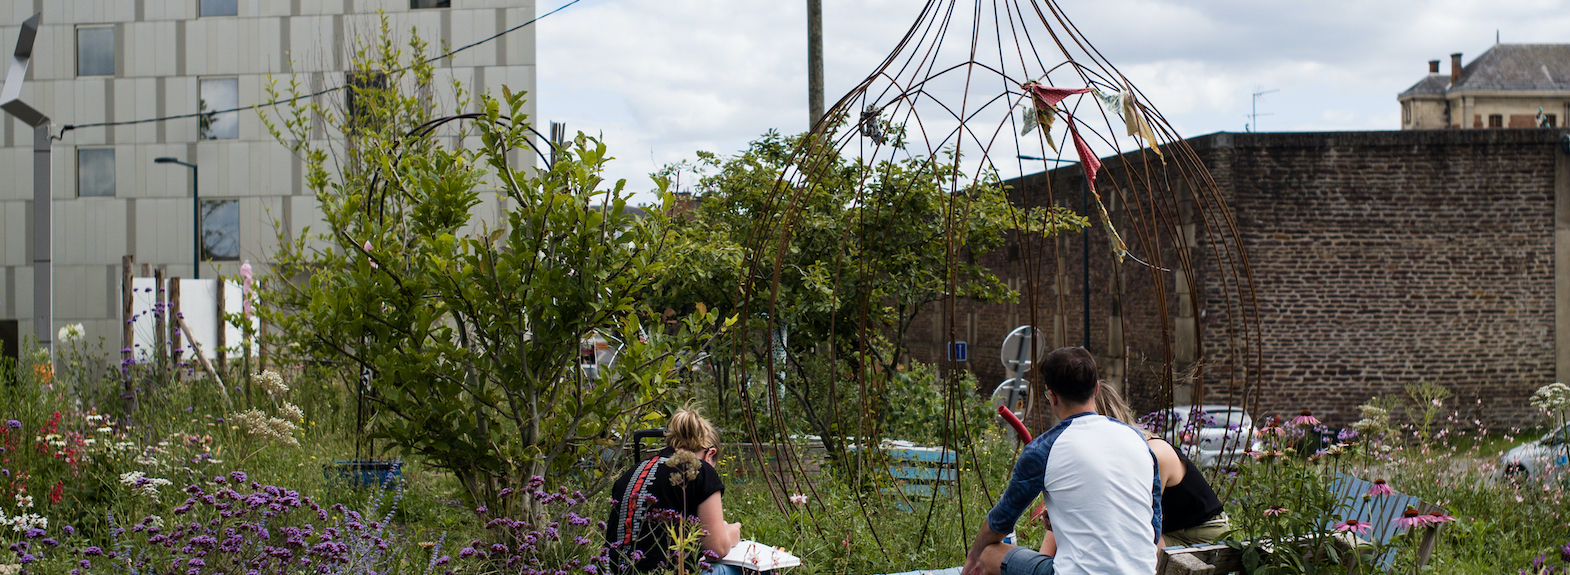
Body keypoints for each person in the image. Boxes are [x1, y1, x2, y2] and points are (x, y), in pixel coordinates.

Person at [962, 347, 1160, 575]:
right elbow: (1153, 528)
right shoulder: (1138, 440)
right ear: (1096, 389)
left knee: (989, 554)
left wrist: (973, 556)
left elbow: (1000, 522)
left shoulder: (1044, 449)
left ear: (1052, 397)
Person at [605, 407, 741, 574]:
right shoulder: (702, 470)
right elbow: (716, 549)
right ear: (709, 454)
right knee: (743, 569)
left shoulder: (631, 473)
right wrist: (731, 534)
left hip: (613, 570)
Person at [1094, 384, 1229, 547]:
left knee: (1132, 544)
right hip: (1169, 531)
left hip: (1201, 534)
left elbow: (1137, 518)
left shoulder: (1153, 453)